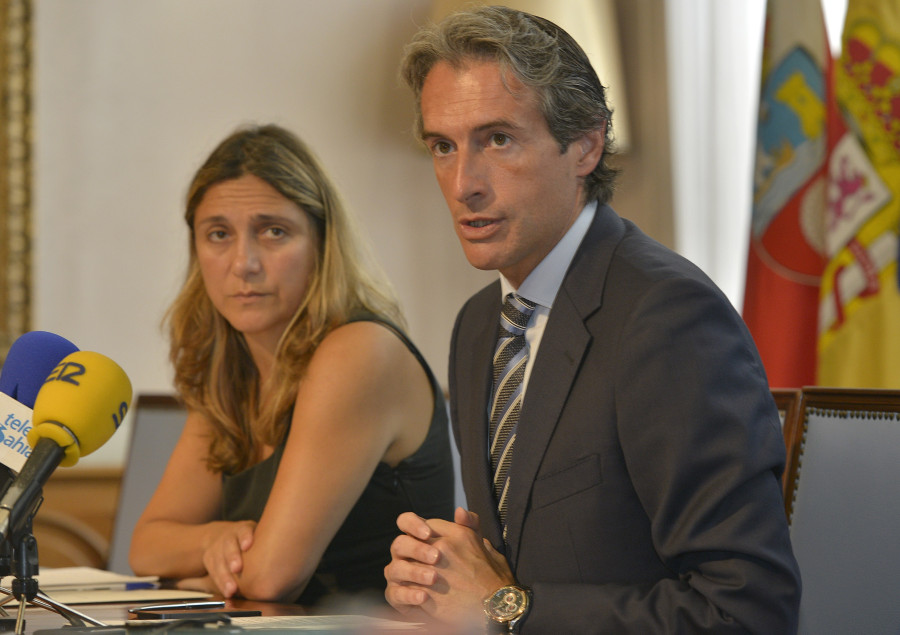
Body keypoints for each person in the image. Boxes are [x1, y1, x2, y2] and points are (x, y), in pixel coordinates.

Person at [384, 6, 801, 633]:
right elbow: (504, 580)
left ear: (585, 145)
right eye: (443, 146)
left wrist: (505, 610)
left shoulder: (669, 318)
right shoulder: (478, 326)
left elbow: (747, 611)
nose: (464, 183)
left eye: (497, 140)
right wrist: (439, 583)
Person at [129, 124, 454, 607]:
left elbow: (270, 580)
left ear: (322, 243)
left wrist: (196, 579)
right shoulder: (233, 371)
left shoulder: (360, 351)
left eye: (273, 232)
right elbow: (146, 545)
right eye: (218, 234)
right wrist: (212, 539)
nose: (244, 263)